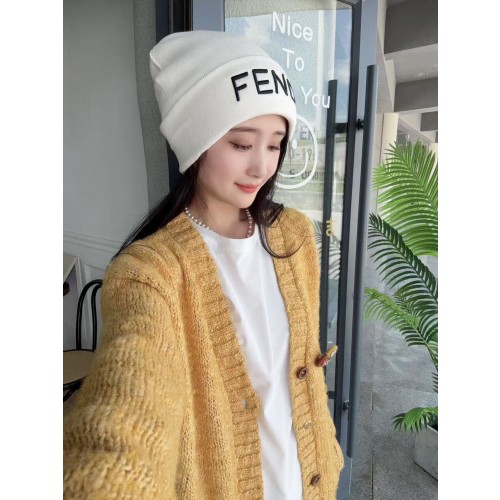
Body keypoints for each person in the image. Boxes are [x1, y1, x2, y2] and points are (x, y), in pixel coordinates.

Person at [63, 30, 344, 499]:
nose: (262, 167)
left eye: (275, 144)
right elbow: (130, 403)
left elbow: (302, 372)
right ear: (196, 142)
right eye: (241, 144)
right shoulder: (149, 273)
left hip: (311, 481)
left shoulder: (293, 235)